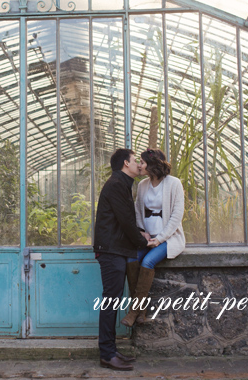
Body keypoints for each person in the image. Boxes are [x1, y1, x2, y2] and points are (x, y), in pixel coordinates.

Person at [93, 148, 158, 371]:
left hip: (115, 249)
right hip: (111, 250)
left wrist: (141, 233)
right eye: (134, 161)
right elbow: (125, 221)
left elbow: (126, 220)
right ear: (125, 164)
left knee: (113, 299)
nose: (138, 165)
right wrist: (144, 242)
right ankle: (107, 354)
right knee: (110, 301)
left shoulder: (121, 184)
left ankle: (110, 351)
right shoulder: (117, 185)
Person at [121, 148, 185, 327]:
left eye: (141, 162)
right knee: (131, 258)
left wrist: (160, 239)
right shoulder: (142, 185)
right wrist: (142, 232)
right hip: (147, 238)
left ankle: (134, 311)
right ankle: (141, 312)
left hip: (168, 238)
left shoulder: (174, 184)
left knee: (147, 262)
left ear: (152, 164)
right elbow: (138, 210)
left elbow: (176, 216)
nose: (139, 166)